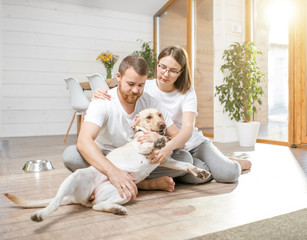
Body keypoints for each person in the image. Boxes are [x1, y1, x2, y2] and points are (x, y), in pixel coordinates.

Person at [93, 46, 252, 186]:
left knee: (228, 174)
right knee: (196, 176)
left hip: (189, 142)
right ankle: (208, 165)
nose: (165, 74)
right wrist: (102, 91)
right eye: (162, 67)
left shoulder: (187, 92)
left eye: (173, 70)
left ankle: (232, 162)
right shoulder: (144, 86)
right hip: (167, 147)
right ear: (157, 64)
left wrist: (167, 145)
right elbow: (126, 86)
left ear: (181, 72)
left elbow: (188, 129)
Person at [62, 55, 194, 200]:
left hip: (138, 159)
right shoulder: (103, 101)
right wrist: (113, 171)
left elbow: (178, 138)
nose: (136, 90)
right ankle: (144, 184)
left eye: (141, 85)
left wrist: (162, 139)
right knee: (71, 155)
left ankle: (128, 181)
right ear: (118, 77)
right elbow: (83, 141)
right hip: (108, 156)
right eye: (130, 84)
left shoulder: (152, 103)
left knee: (184, 157)